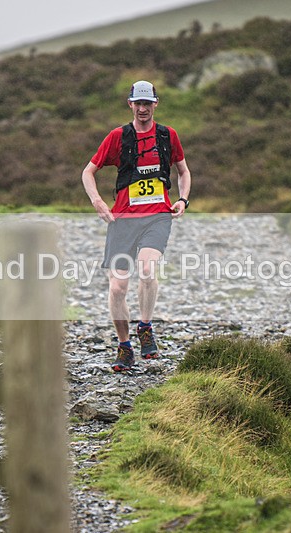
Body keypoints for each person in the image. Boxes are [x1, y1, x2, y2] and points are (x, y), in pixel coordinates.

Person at [81, 80, 192, 372]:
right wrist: (98, 202)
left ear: (156, 104)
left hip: (157, 215)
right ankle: (125, 345)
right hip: (123, 219)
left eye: (148, 103)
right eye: (138, 103)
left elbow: (183, 170)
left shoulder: (168, 135)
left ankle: (145, 327)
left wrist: (183, 200)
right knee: (118, 287)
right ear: (130, 104)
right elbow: (88, 172)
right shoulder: (118, 137)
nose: (143, 109)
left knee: (147, 269)